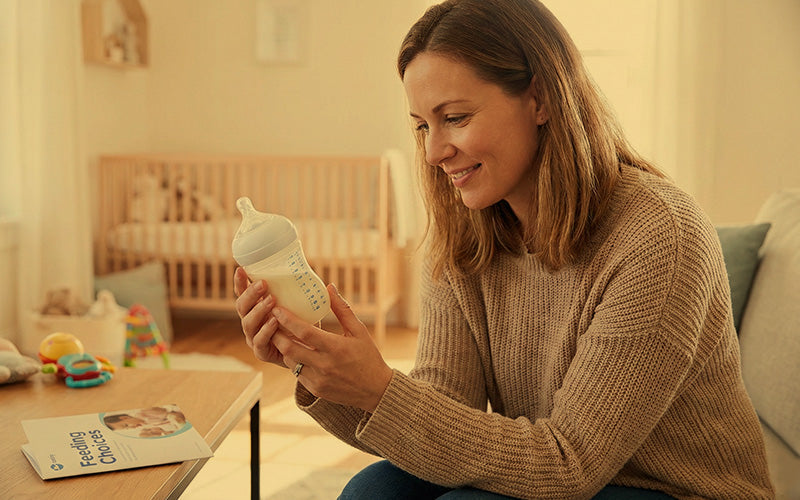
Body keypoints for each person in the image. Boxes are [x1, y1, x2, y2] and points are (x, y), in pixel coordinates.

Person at [234, 0, 775, 498]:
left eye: (456, 118)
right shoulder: (465, 231)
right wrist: (315, 362)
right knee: (374, 492)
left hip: (674, 490)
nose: (433, 152)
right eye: (422, 126)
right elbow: (442, 417)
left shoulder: (658, 236)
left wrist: (379, 390)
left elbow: (570, 464)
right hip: (559, 475)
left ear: (540, 99)